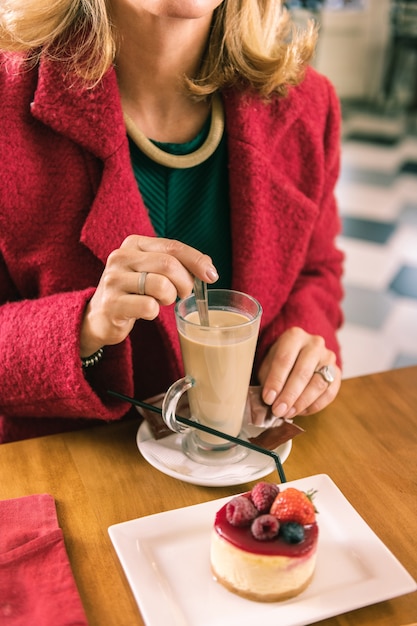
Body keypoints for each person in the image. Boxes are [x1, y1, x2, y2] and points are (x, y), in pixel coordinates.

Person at [0, 0, 344, 444]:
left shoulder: (308, 103)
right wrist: (86, 326)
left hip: (246, 477)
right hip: (74, 477)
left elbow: (316, 273)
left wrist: (303, 344)